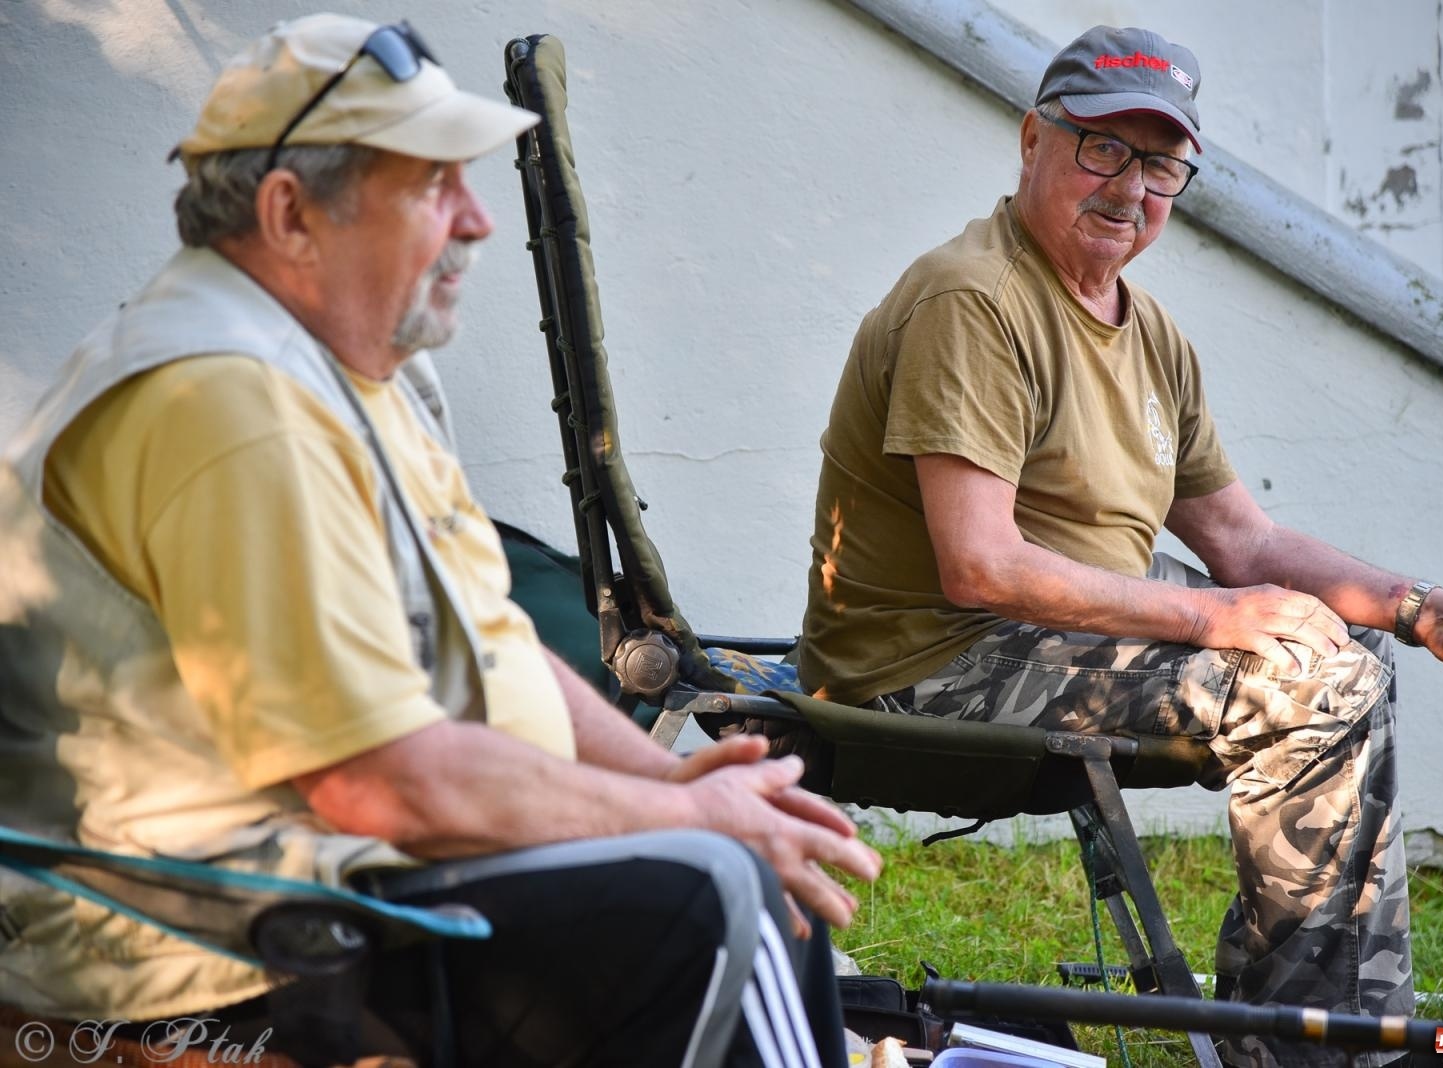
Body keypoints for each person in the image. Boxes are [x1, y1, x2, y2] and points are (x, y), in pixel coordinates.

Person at [0, 14, 879, 1068]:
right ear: (290, 215)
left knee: (730, 873)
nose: (478, 221)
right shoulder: (227, 402)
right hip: (202, 941)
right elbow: (381, 781)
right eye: (431, 187)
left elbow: (494, 644)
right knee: (709, 891)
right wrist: (692, 827)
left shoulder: (358, 371)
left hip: (328, 883)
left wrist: (671, 792)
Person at [798, 24, 1443, 1068]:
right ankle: (1314, 1049)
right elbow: (979, 565)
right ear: (1032, 141)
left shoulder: (1148, 331)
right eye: (1103, 148)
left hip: (1042, 634)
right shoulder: (972, 298)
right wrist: (1220, 616)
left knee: (1350, 654)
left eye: (1160, 164)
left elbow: (1242, 539)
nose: (1130, 187)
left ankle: (1300, 1022)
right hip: (929, 664)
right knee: (1310, 683)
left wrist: (1422, 603)